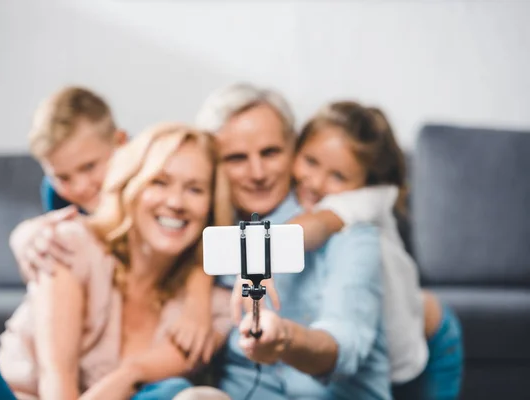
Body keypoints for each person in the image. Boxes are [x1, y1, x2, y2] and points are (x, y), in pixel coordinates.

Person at [0, 123, 234, 400]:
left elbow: (145, 381)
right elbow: (56, 378)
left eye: (195, 189)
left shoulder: (214, 308)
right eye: (160, 182)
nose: (176, 202)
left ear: (210, 205)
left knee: (186, 394)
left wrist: (131, 373)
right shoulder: (71, 244)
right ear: (131, 185)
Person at [180, 83, 391, 399]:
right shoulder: (205, 227)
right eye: (236, 158)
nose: (258, 172)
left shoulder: (346, 227)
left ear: (293, 147)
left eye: (270, 152)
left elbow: (344, 348)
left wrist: (284, 340)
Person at [11, 87, 217, 365]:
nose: (81, 188)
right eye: (63, 177)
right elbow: (49, 235)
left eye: (89, 167)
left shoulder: (150, 167)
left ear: (121, 142)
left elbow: (197, 236)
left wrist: (198, 298)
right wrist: (24, 236)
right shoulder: (58, 196)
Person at [285, 101, 464, 399]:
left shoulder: (365, 202)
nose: (315, 182)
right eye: (310, 161)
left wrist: (258, 252)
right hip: (393, 336)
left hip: (433, 341)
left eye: (338, 176)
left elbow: (313, 227)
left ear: (367, 180)